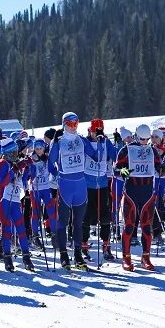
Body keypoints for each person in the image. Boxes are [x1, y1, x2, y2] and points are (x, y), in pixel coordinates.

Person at [47, 112, 103, 269]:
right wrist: (56, 174)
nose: (73, 127)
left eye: (76, 123)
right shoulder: (58, 141)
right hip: (65, 185)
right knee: (63, 222)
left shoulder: (82, 140)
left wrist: (100, 141)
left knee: (78, 223)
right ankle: (64, 255)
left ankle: (78, 254)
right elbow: (50, 163)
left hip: (80, 185)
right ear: (64, 124)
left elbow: (97, 157)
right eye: (70, 124)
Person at [114, 124, 162, 271]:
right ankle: (126, 258)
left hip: (147, 193)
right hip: (131, 192)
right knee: (129, 225)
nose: (144, 142)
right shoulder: (126, 149)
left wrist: (163, 169)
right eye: (142, 139)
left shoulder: (152, 150)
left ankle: (146, 257)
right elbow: (115, 169)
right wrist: (122, 170)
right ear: (136, 136)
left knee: (147, 227)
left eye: (147, 139)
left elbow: (158, 167)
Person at [0, 138, 33, 271]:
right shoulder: (2, 163)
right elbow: (2, 181)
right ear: (9, 152)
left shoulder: (16, 162)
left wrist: (27, 168)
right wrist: (14, 169)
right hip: (4, 199)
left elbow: (23, 179)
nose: (17, 153)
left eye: (17, 151)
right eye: (14, 151)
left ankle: (26, 257)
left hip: (15, 198)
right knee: (7, 229)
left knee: (21, 227)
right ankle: (7, 257)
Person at [82, 118, 117, 262]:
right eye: (94, 131)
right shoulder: (84, 141)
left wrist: (113, 143)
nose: (97, 134)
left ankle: (106, 245)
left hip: (102, 184)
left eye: (99, 131)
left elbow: (115, 155)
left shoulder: (105, 141)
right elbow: (93, 155)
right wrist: (100, 144)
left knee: (105, 217)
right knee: (86, 216)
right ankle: (83, 245)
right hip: (87, 184)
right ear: (90, 131)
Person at [28, 138, 58, 250]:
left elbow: (53, 170)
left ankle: (55, 235)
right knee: (36, 213)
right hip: (35, 189)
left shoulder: (47, 159)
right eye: (36, 148)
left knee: (52, 211)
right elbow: (28, 173)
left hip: (46, 188)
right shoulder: (31, 159)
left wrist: (58, 172)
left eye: (40, 148)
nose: (39, 150)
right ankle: (35, 236)